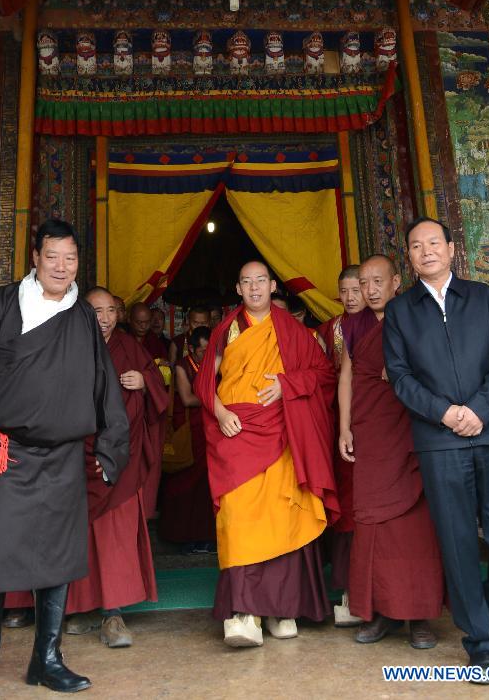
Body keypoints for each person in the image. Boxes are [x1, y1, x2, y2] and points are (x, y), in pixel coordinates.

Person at [0, 219, 129, 698]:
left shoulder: (81, 316)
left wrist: (109, 444)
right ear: (34, 258)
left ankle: (48, 659)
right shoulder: (1, 305)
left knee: (57, 561)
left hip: (61, 459)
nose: (61, 266)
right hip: (7, 453)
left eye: (70, 258)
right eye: (52, 256)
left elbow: (104, 384)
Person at [383, 217, 489, 679]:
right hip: (439, 440)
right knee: (458, 541)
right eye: (415, 246)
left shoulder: (484, 299)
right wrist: (446, 414)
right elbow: (400, 377)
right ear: (408, 258)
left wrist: (479, 411)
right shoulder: (400, 312)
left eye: (433, 242)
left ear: (451, 248)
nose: (425, 251)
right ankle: (482, 640)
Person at [194, 261, 339, 648]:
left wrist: (288, 384)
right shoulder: (227, 331)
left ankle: (282, 610)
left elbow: (324, 374)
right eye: (247, 282)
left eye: (261, 281)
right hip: (236, 432)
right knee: (239, 519)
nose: (255, 287)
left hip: (280, 433)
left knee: (281, 518)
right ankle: (244, 613)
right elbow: (205, 381)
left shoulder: (291, 329)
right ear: (238, 289)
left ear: (273, 286)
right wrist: (221, 413)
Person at [340, 255, 443, 649]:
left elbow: (439, 365)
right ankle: (380, 612)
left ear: (397, 281)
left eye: (377, 281)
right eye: (363, 283)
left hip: (411, 433)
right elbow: (347, 376)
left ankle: (419, 616)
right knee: (372, 525)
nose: (370, 290)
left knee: (415, 527)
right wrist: (344, 427)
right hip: (373, 434)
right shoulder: (355, 326)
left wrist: (404, 370)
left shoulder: (417, 316)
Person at [64, 287, 168, 647]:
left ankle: (114, 613)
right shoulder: (69, 343)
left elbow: (157, 386)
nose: (105, 318)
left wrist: (144, 381)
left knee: (116, 534)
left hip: (122, 456)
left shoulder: (129, 346)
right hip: (78, 453)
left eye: (110, 311)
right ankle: (79, 606)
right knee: (80, 534)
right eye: (97, 311)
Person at [330, 271, 378, 627]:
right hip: (349, 421)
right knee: (351, 506)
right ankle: (350, 589)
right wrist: (344, 426)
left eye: (356, 288)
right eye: (343, 291)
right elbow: (341, 376)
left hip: (384, 420)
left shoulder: (393, 319)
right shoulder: (336, 329)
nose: (351, 296)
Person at [158, 326, 216, 552]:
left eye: (210, 350)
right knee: (183, 484)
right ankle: (181, 538)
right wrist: (218, 400)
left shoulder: (215, 363)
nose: (206, 354)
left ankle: (206, 537)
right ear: (191, 348)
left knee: (206, 486)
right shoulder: (182, 366)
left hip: (209, 430)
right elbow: (188, 398)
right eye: (202, 350)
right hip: (189, 431)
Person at [129, 300, 169, 516]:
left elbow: (163, 379)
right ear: (128, 319)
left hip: (149, 410)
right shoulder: (122, 341)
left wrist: (148, 379)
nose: (144, 326)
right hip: (126, 412)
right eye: (139, 322)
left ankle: (145, 509)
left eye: (147, 322)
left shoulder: (156, 343)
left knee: (149, 460)